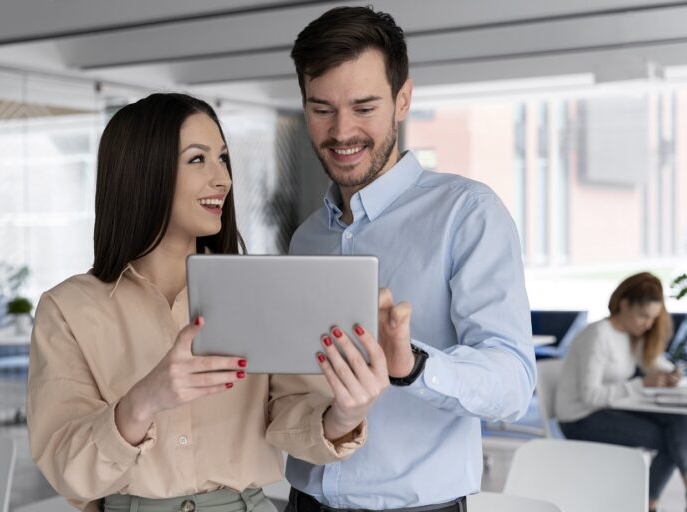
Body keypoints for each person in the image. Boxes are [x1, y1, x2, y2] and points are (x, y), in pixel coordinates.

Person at [27, 92, 390, 512]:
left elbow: (289, 412)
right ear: (142, 172)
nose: (223, 179)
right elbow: (66, 466)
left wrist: (344, 414)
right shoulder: (67, 310)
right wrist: (145, 399)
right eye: (198, 159)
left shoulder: (258, 290)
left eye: (223, 159)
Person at [283, 6, 537, 512]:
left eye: (364, 106)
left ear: (403, 100)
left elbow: (513, 383)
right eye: (322, 109)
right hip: (304, 500)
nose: (341, 131)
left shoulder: (467, 213)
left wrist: (413, 366)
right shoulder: (307, 237)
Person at [556, 272, 687, 512]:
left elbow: (652, 362)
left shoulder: (630, 335)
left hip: (609, 409)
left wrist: (671, 374)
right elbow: (590, 396)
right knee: (672, 438)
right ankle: (649, 501)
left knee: (681, 420)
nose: (648, 324)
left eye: (652, 318)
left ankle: (649, 501)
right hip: (580, 417)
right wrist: (642, 385)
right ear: (624, 304)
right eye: (643, 316)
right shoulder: (598, 335)